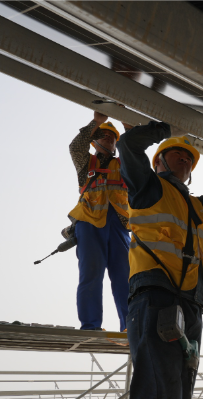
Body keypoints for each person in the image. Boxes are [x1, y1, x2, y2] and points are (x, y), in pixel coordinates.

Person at [117, 122, 203, 399]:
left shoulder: (197, 207)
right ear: (158, 161)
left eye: (189, 158)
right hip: (155, 295)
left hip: (190, 303)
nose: (185, 159)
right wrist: (171, 125)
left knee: (178, 396)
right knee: (158, 396)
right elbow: (128, 145)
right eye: (177, 154)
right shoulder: (147, 187)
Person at [67, 111, 131, 331]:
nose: (108, 138)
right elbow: (76, 147)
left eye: (112, 137)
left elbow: (136, 155)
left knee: (125, 278)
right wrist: (96, 122)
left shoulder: (125, 165)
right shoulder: (87, 163)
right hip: (89, 223)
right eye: (103, 134)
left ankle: (130, 326)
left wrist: (129, 127)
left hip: (119, 226)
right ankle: (90, 326)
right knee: (91, 276)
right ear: (94, 140)